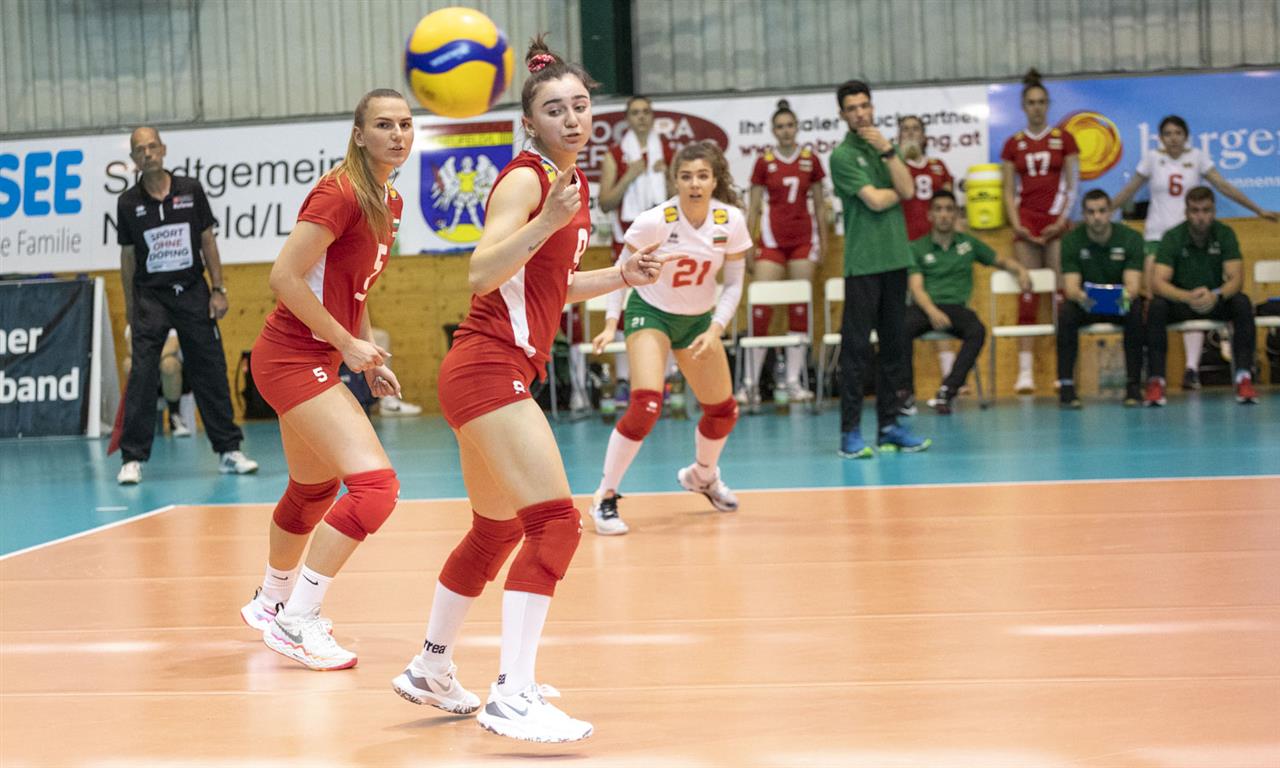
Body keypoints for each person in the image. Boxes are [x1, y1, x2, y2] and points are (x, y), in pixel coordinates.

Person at [390, 38, 668, 743]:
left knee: (497, 530)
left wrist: (620, 277)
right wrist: (546, 220)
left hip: (486, 370)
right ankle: (513, 694)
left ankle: (431, 666)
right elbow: (482, 272)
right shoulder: (527, 180)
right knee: (557, 525)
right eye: (554, 110)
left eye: (580, 106)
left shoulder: (567, 184)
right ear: (530, 122)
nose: (572, 119)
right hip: (489, 368)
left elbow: (546, 288)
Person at [239, 88, 413, 671]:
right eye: (383, 125)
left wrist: (368, 353)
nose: (397, 134)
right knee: (376, 488)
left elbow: (353, 288)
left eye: (405, 124)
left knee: (313, 490)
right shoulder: (340, 191)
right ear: (359, 135)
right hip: (291, 357)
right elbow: (284, 277)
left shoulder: (389, 200)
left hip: (316, 357)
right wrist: (344, 343)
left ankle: (271, 601)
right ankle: (298, 619)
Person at [586, 141, 751, 535]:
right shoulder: (655, 220)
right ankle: (604, 495)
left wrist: (715, 328)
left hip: (698, 322)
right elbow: (621, 272)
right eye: (686, 176)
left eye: (702, 176)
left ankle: (703, 476)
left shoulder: (730, 220)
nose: (694, 184)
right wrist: (610, 322)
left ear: (714, 180)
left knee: (723, 411)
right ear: (674, 180)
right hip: (651, 313)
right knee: (645, 406)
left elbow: (733, 284)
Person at [115, 126, 257, 485]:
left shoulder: (190, 190)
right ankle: (132, 458)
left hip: (193, 292)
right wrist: (131, 308)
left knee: (210, 368)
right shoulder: (128, 203)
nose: (147, 153)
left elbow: (208, 241)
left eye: (152, 146)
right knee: (143, 374)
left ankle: (229, 450)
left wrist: (218, 289)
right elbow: (128, 259)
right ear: (133, 159)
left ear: (163, 150)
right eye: (140, 150)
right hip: (151, 298)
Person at [1110, 114, 1279, 391]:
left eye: (1178, 133)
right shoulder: (1152, 158)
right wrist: (1104, 212)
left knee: (1197, 291)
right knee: (1153, 297)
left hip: (1192, 237)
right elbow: (1129, 189)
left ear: (1186, 136)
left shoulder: (1198, 157)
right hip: (1157, 238)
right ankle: (1151, 370)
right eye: (1167, 133)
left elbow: (1223, 186)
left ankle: (1191, 368)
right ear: (1160, 138)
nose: (1173, 138)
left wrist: (1257, 209)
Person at [830, 79, 930, 458]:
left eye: (864, 106)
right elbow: (874, 200)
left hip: (895, 259)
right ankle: (850, 434)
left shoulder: (887, 149)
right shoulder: (841, 156)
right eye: (852, 108)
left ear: (872, 107)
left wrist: (888, 152)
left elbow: (909, 190)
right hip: (863, 264)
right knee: (856, 350)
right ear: (842, 115)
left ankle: (889, 427)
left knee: (894, 348)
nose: (860, 113)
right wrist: (895, 191)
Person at [739, 99, 829, 407]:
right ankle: (750, 383)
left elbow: (820, 205)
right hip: (771, 240)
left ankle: (793, 381)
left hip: (803, 239)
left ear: (797, 128)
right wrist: (748, 246)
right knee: (760, 307)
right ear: (773, 130)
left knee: (799, 307)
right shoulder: (764, 162)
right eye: (780, 126)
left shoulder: (810, 160)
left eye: (790, 125)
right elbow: (753, 207)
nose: (786, 131)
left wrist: (824, 242)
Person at [906, 191, 1029, 414]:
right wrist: (932, 311)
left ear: (956, 215)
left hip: (956, 308)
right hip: (925, 307)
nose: (944, 214)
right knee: (898, 330)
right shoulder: (917, 247)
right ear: (930, 215)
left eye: (949, 209)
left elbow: (1000, 260)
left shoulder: (968, 244)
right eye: (939, 209)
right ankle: (904, 394)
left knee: (977, 330)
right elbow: (916, 288)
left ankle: (948, 390)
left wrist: (1020, 270)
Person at [1000, 68, 1079, 394]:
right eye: (1031, 102)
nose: (1036, 108)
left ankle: (1064, 371)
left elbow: (1073, 184)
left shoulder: (1064, 139)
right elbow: (1008, 190)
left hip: (1056, 222)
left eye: (1041, 102)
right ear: (1023, 106)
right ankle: (1025, 373)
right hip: (1027, 223)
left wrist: (1061, 220)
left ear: (1048, 105)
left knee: (1061, 294)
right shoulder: (1013, 144)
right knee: (1028, 292)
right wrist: (1017, 224)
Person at [1145, 186, 1259, 406]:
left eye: (1206, 210)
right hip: (1182, 301)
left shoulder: (1224, 234)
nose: (1200, 216)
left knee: (1242, 302)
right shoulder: (1173, 237)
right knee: (1156, 306)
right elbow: (1158, 282)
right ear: (1186, 212)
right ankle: (1156, 380)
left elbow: (1236, 279)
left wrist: (1216, 295)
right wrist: (1185, 296)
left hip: (1214, 300)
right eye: (1195, 211)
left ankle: (1244, 376)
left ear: (1213, 211)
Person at [597, 95, 677, 390]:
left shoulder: (667, 150)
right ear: (628, 119)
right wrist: (629, 176)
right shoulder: (615, 154)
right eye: (635, 112)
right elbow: (605, 202)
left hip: (662, 238)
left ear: (652, 116)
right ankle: (622, 377)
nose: (641, 117)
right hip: (627, 238)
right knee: (622, 303)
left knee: (666, 303)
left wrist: (666, 177)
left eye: (646, 112)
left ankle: (668, 375)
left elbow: (679, 198)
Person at [1056, 189, 1146, 408]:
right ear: (1084, 215)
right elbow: (1071, 288)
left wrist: (1120, 297)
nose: (1097, 217)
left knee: (1135, 309)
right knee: (1066, 313)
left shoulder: (1131, 238)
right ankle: (1067, 387)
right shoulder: (1071, 241)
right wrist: (1083, 297)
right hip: (1086, 303)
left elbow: (1133, 286)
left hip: (1118, 302)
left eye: (1102, 211)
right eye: (1091, 212)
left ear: (1111, 212)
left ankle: (1133, 386)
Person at [897, 114, 962, 393]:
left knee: (939, 304)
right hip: (903, 249)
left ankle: (950, 374)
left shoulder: (938, 167)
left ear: (925, 136)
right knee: (903, 315)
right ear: (899, 137)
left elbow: (949, 205)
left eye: (916, 129)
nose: (911, 134)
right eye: (906, 130)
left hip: (933, 248)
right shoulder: (894, 167)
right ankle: (902, 383)